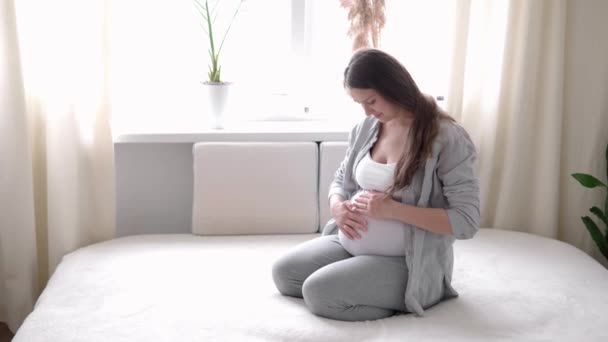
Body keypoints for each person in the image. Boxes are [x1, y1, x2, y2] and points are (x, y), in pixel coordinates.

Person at [272, 48, 480, 322]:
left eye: (371, 100)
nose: (367, 111)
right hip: (349, 244)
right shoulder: (367, 128)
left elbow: (467, 221)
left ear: (393, 87)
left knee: (319, 293)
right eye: (359, 103)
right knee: (285, 273)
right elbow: (340, 180)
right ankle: (360, 274)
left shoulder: (446, 138)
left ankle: (413, 294)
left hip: (406, 261)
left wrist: (393, 210)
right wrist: (338, 207)